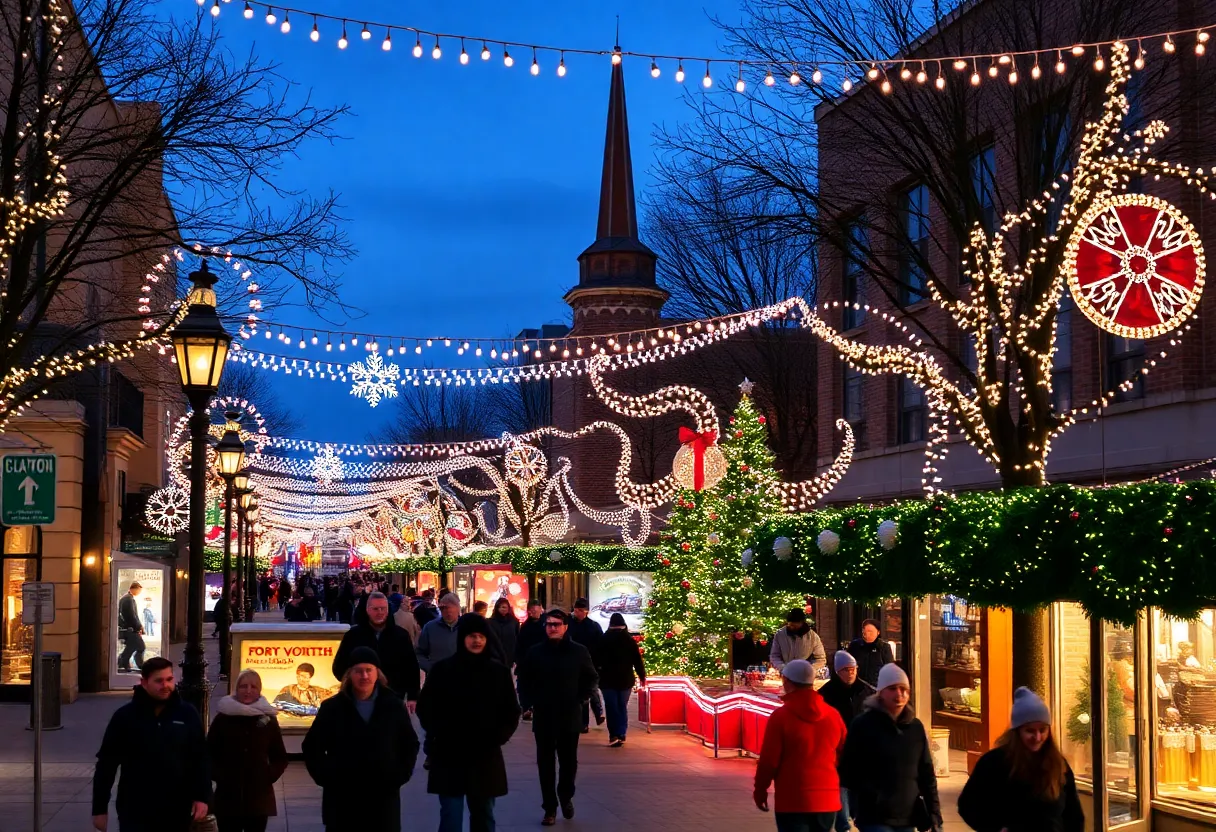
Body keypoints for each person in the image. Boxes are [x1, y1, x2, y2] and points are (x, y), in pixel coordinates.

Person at [417, 614, 521, 832]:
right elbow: (425, 708)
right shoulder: (443, 670)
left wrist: (498, 736)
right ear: (463, 638)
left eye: (481, 636)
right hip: (449, 755)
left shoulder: (498, 673)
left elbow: (511, 711)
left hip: (485, 756)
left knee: (484, 816)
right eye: (472, 636)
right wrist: (439, 732)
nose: (477, 641)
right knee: (451, 818)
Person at [303, 647, 420, 832]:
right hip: (343, 799)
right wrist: (327, 777)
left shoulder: (393, 706)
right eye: (358, 671)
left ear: (377, 673)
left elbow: (410, 743)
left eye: (369, 670)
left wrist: (399, 774)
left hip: (383, 798)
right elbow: (311, 747)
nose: (364, 676)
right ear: (349, 675)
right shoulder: (332, 708)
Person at [92, 657, 210, 832]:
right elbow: (106, 764)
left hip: (177, 809)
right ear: (144, 682)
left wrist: (202, 797)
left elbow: (200, 759)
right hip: (135, 810)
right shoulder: (125, 717)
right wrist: (99, 809)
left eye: (169, 679)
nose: (165, 686)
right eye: (159, 681)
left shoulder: (187, 714)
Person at [958, 687, 1084, 832]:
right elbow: (967, 805)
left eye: (1042, 730)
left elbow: (1074, 815)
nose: (1037, 738)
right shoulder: (993, 763)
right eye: (1030, 731)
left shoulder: (1058, 764)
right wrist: (994, 828)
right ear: (1017, 732)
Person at [518, 608, 598, 826]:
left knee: (568, 761)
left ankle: (565, 795)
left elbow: (591, 677)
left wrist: (582, 698)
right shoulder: (535, 652)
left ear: (565, 627)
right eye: (549, 624)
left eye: (556, 624)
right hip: (544, 716)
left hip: (569, 715)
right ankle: (549, 808)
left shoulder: (578, 652)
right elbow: (523, 680)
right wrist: (527, 702)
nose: (552, 628)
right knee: (545, 764)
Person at [839, 663, 942, 832]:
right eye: (893, 688)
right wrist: (864, 800)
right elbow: (848, 772)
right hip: (874, 817)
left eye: (904, 689)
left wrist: (935, 814)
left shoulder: (915, 728)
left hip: (907, 817)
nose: (899, 694)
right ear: (881, 692)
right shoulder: (863, 725)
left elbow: (926, 773)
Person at [753, 659, 846, 832]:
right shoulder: (833, 715)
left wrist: (760, 789)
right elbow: (844, 753)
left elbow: (769, 761)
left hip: (792, 800)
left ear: (787, 681)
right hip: (827, 799)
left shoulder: (781, 717)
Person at [207, 669, 289, 832]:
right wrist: (220, 775)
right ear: (236, 689)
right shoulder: (223, 718)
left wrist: (268, 775)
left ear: (259, 690)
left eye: (253, 687)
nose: (248, 690)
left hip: (259, 798)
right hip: (228, 796)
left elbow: (279, 756)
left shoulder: (268, 719)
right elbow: (209, 752)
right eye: (243, 686)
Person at [332, 591, 421, 705]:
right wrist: (352, 685)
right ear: (368, 610)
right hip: (359, 699)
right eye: (375, 609)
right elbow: (339, 667)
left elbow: (411, 666)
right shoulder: (353, 635)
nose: (380, 612)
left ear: (388, 610)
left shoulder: (401, 635)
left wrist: (412, 696)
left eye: (383, 608)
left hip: (393, 697)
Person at [817, 651, 873, 832]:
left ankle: (857, 817)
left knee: (857, 789)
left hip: (861, 750)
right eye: (846, 670)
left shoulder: (867, 692)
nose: (850, 673)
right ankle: (843, 826)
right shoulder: (826, 693)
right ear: (838, 671)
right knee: (840, 788)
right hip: (836, 751)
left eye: (853, 669)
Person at [596, 612, 646, 747]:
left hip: (607, 680)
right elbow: (637, 660)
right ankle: (621, 732)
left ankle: (614, 734)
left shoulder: (603, 639)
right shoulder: (629, 640)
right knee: (621, 706)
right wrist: (642, 676)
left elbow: (596, 659)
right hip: (625, 679)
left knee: (611, 707)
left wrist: (596, 674)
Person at [568, 597, 606, 732]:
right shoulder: (569, 624)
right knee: (581, 694)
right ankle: (584, 722)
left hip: (591, 663)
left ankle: (595, 715)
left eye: (580, 610)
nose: (577, 613)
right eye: (576, 610)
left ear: (586, 611)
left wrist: (599, 663)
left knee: (590, 689)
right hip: (574, 663)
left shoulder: (593, 626)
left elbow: (601, 645)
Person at [770, 609, 826, 675]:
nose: (791, 627)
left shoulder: (813, 637)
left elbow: (820, 658)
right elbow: (774, 656)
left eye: (794, 626)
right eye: (790, 625)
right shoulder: (780, 634)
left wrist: (809, 670)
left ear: (801, 623)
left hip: (804, 675)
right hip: (785, 674)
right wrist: (783, 668)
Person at [516, 599, 546, 721]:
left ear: (540, 608)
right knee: (525, 685)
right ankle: (527, 708)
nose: (533, 612)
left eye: (535, 609)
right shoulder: (525, 626)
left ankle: (538, 707)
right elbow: (520, 644)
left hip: (543, 659)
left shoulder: (546, 623)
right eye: (531, 610)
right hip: (527, 661)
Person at [416, 593, 462, 672]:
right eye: (445, 610)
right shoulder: (430, 628)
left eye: (451, 610)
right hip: (436, 678)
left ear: (458, 610)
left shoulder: (466, 627)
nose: (448, 613)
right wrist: (430, 668)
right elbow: (420, 653)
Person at [847, 619, 895, 691]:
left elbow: (890, 670)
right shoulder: (855, 645)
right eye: (865, 631)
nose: (867, 634)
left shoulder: (884, 647)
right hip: (857, 689)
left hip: (877, 689)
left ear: (878, 632)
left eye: (870, 632)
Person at [117, 581, 146, 672]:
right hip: (130, 629)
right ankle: (139, 665)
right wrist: (138, 627)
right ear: (134, 589)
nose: (139, 592)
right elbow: (131, 616)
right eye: (139, 590)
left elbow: (133, 615)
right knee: (140, 646)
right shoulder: (128, 599)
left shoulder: (128, 598)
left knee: (131, 647)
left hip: (129, 628)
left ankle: (123, 662)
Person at [487, 597, 520, 668]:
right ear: (497, 608)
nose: (503, 609)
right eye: (501, 607)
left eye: (505, 607)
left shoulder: (514, 622)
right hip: (494, 657)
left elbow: (518, 639)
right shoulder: (490, 622)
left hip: (510, 658)